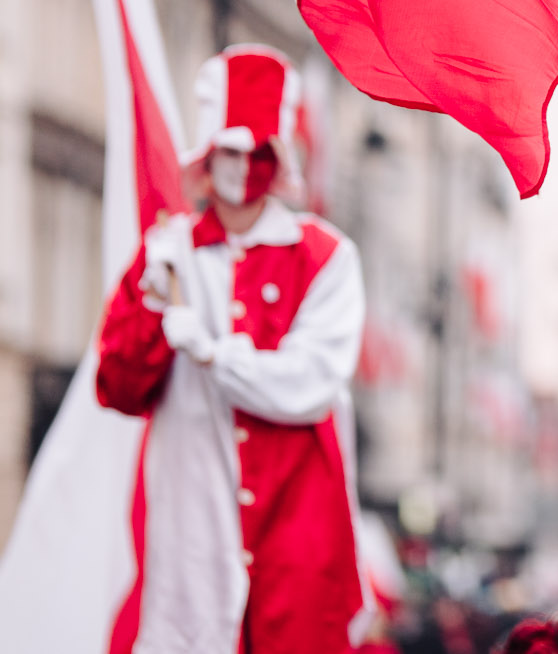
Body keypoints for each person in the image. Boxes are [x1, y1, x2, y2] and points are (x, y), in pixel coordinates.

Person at [97, 44, 369, 654]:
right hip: (189, 525)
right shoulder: (166, 253)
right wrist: (149, 306)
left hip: (296, 524)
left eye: (259, 151)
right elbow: (118, 387)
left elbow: (308, 384)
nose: (244, 164)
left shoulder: (325, 256)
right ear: (207, 152)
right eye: (231, 149)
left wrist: (212, 352)